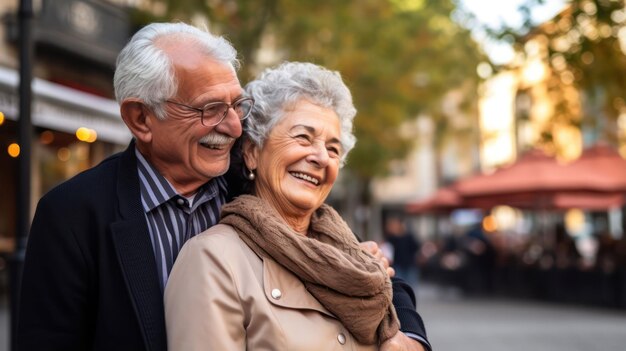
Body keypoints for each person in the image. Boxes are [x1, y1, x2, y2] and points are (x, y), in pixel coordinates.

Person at [17, 22, 429, 351]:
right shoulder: (73, 214)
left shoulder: (261, 182)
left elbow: (369, 275)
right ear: (141, 119)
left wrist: (408, 335)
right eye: (210, 109)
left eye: (237, 105)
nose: (233, 127)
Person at [165, 62, 429, 350]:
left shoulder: (353, 256)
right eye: (303, 137)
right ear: (252, 152)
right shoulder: (212, 259)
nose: (320, 157)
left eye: (333, 149)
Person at [384, 215, 421, 288]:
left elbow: (416, 247)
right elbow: (387, 248)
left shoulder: (409, 236)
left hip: (410, 264)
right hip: (398, 264)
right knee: (399, 284)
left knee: (411, 285)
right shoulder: (392, 237)